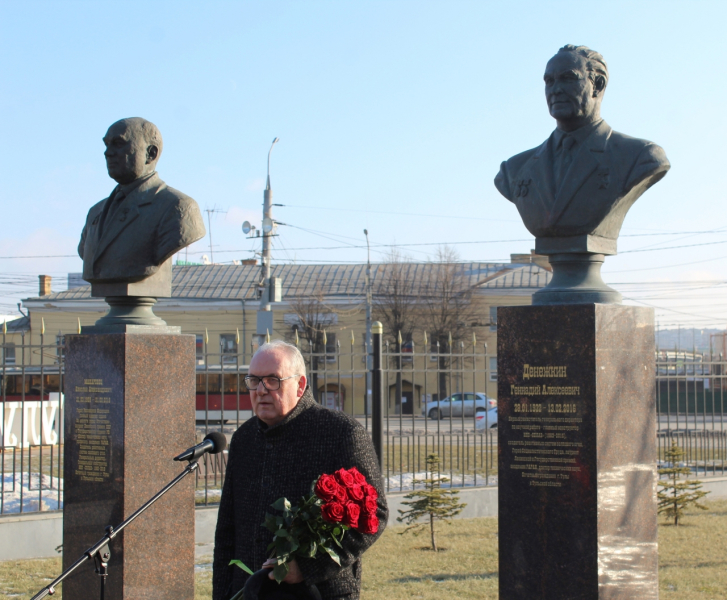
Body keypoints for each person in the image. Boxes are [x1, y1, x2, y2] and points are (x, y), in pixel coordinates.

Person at [213, 340, 388, 600]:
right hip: (250, 591)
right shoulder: (243, 439)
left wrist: (308, 567)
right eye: (254, 380)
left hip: (320, 592)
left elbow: (374, 515)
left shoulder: (340, 433)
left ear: (300, 384)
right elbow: (227, 530)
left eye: (272, 380)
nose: (260, 390)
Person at [494, 44, 670, 255]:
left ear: (598, 85)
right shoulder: (514, 170)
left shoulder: (640, 157)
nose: (555, 89)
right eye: (549, 81)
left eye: (568, 78)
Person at [78, 117, 205, 290]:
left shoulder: (179, 207)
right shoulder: (96, 212)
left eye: (118, 144)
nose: (108, 153)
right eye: (107, 145)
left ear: (150, 153)